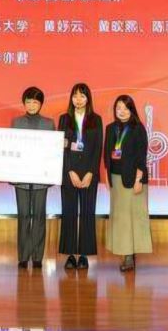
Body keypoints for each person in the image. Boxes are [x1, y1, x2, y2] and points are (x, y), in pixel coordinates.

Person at [57, 82, 103, 270]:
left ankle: (84, 255)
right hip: (69, 173)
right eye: (75, 95)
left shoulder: (96, 119)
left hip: (89, 174)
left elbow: (98, 148)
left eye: (82, 96)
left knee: (87, 213)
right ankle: (70, 255)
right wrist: (70, 171)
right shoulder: (64, 119)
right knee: (68, 213)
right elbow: (61, 148)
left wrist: (91, 172)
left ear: (88, 98)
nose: (78, 99)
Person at [104, 94, 152, 271]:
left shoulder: (138, 128)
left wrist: (139, 179)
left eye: (125, 108)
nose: (121, 111)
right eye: (118, 108)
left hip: (133, 180)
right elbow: (106, 155)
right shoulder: (111, 128)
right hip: (116, 180)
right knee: (120, 218)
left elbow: (141, 156)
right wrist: (107, 177)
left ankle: (130, 256)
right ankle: (125, 252)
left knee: (134, 218)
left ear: (131, 110)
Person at [11, 86, 54, 269]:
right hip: (20, 178)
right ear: (24, 103)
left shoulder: (49, 124)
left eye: (35, 102)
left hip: (41, 179)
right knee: (23, 215)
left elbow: (52, 152)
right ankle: (23, 256)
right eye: (28, 102)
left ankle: (37, 256)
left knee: (38, 216)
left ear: (41, 104)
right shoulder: (16, 122)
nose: (31, 105)